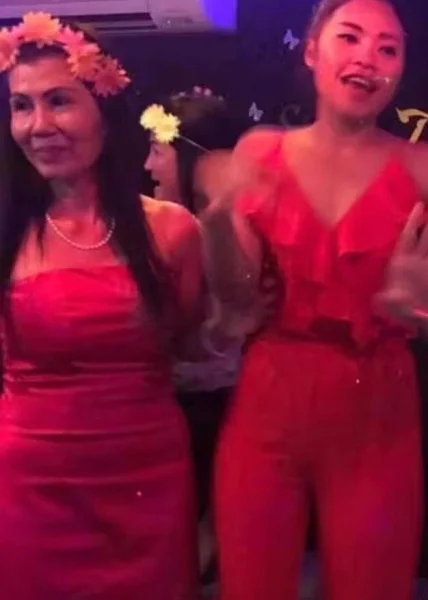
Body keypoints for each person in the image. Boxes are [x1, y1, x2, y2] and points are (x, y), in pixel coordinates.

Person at [201, 0, 428, 598]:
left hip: (378, 411)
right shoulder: (259, 152)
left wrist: (421, 302)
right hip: (269, 403)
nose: (367, 58)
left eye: (387, 48)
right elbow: (236, 298)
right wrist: (217, 221)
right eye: (349, 38)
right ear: (311, 51)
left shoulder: (425, 167)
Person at [0, 13, 203, 599]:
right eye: (21, 106)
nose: (39, 126)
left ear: (104, 111)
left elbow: (189, 347)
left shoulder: (173, 232)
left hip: (147, 478)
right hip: (32, 486)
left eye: (60, 101)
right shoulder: (6, 233)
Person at [141, 89, 249, 566]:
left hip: (206, 406)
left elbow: (217, 335)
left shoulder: (222, 234)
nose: (147, 166)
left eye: (157, 152)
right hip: (162, 400)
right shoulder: (147, 225)